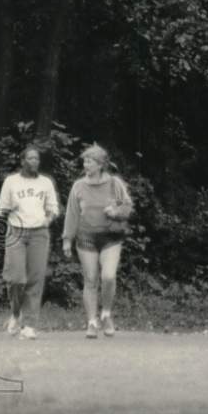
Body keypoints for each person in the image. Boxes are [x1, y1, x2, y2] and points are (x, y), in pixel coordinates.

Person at [62, 144, 134, 339]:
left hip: (111, 238)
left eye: (90, 161)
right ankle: (92, 322)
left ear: (101, 164)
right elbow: (72, 214)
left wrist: (115, 212)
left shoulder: (114, 184)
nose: (86, 164)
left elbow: (127, 209)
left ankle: (107, 314)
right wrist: (67, 239)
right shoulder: (78, 186)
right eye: (84, 161)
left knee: (108, 277)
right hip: (86, 238)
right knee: (91, 279)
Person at [0, 145, 60, 340]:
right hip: (16, 231)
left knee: (35, 279)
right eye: (31, 158)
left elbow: (53, 208)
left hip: (39, 233)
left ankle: (30, 325)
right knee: (15, 279)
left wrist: (46, 221)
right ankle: (16, 314)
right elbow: (1, 209)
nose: (35, 162)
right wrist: (10, 208)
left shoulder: (46, 183)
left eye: (37, 159)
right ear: (22, 161)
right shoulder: (11, 181)